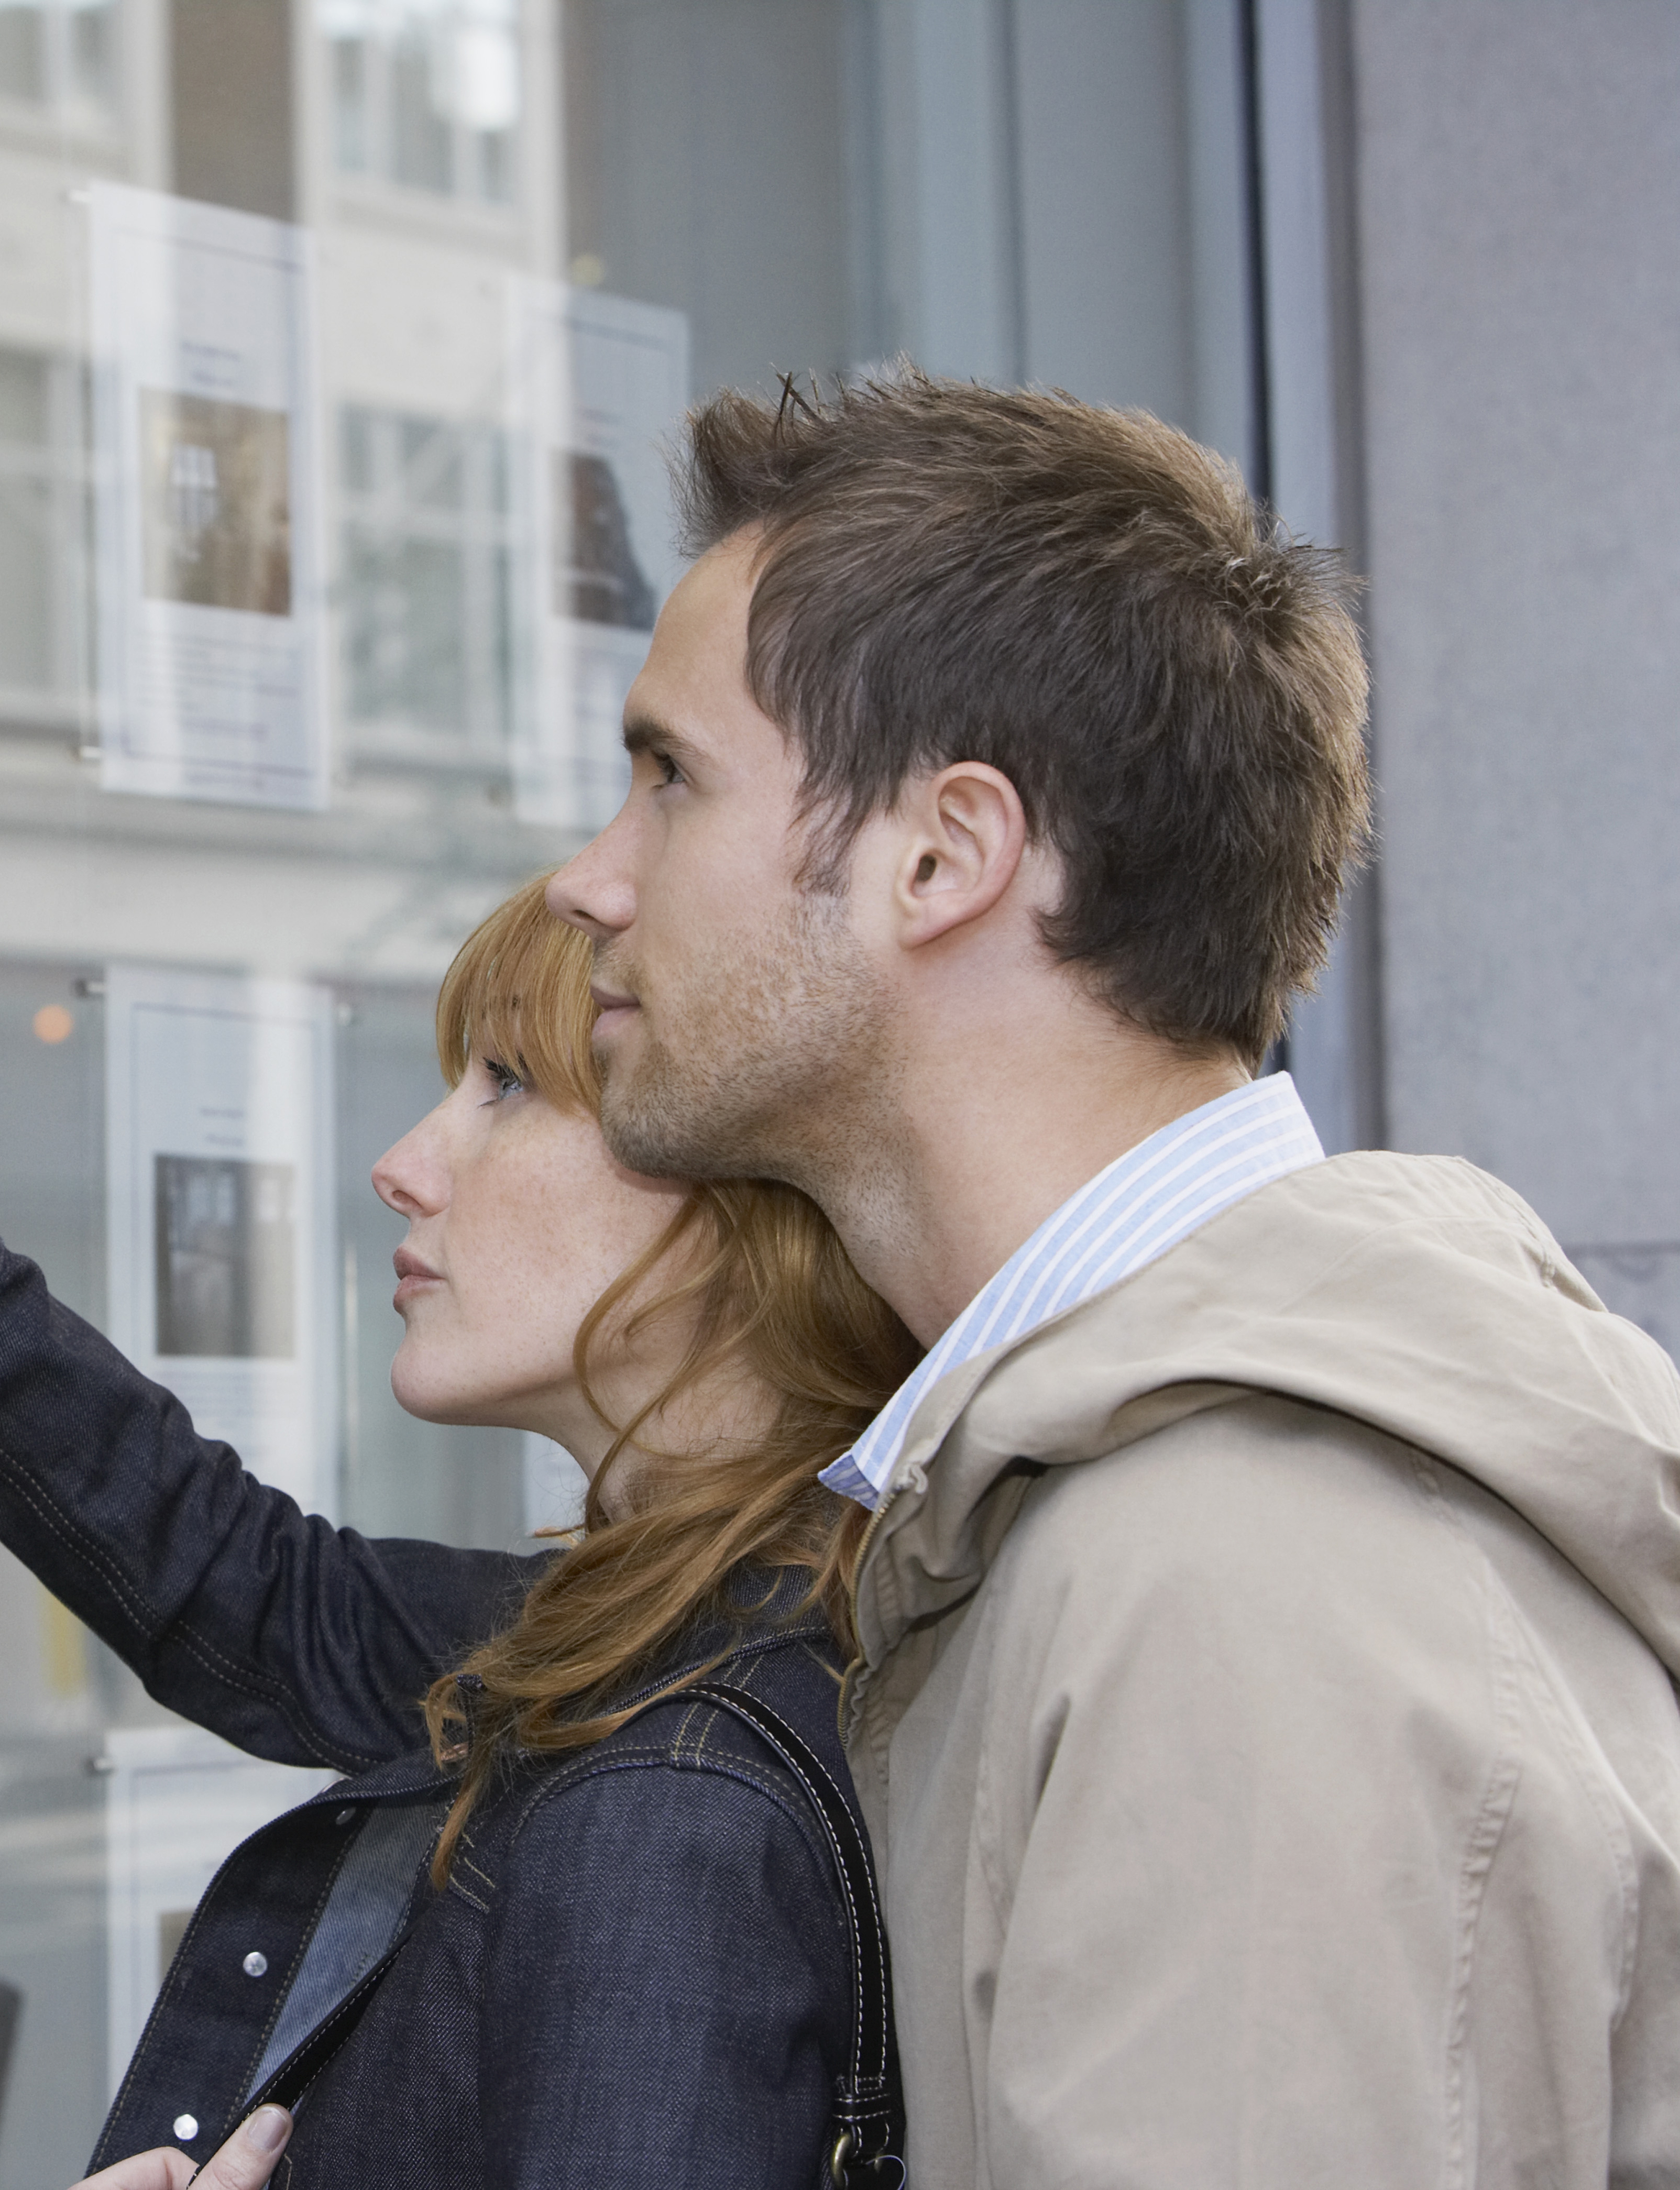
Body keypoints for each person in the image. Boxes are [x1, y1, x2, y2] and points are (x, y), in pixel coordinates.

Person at [545, 370, 1680, 2183]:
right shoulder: (1138, 1503)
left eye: (669, 776)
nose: (592, 882)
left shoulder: (1237, 1582)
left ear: (945, 853)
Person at [0, 853, 920, 2187]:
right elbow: (244, 1585)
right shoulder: (670, 1638)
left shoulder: (670, 1793)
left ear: (743, 1198)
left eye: (508, 1087)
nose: (406, 1164)